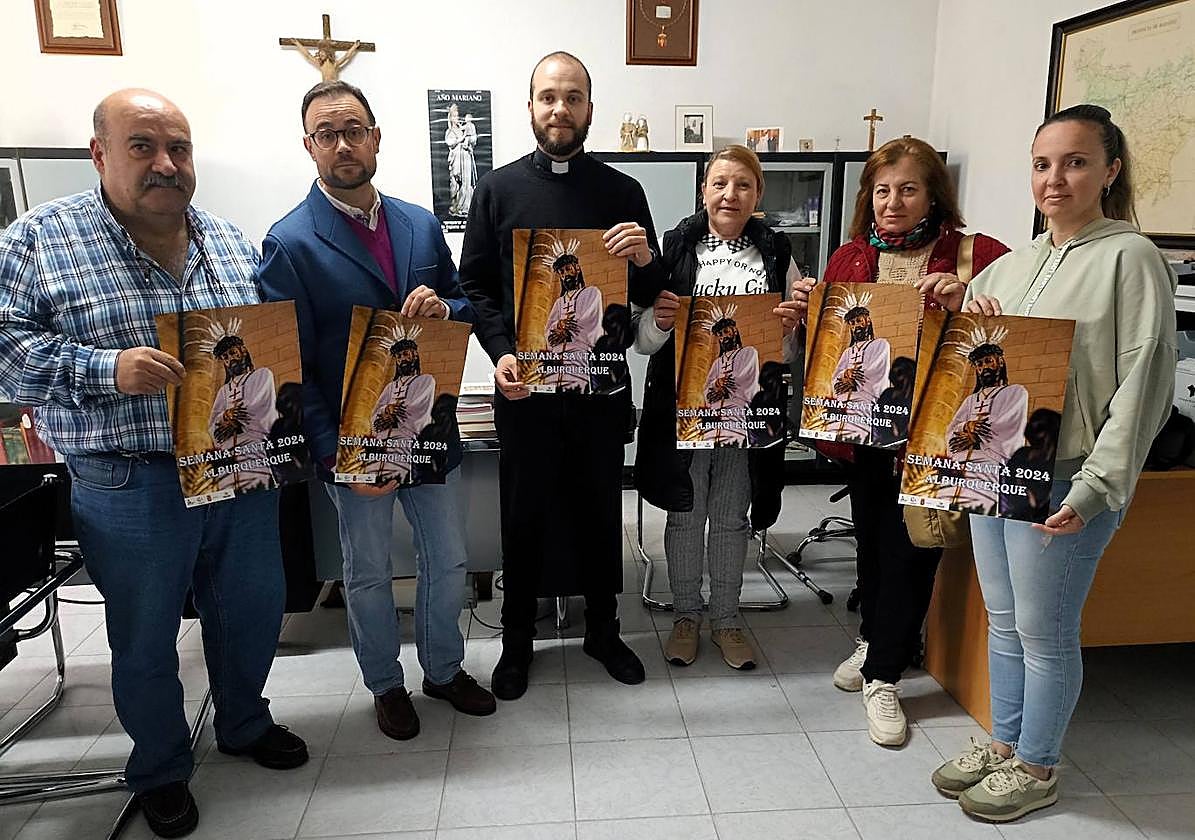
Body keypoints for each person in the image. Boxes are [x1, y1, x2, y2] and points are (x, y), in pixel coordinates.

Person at [0, 89, 308, 838]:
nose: (166, 164)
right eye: (142, 146)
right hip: (128, 478)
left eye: (179, 148)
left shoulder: (231, 241)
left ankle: (242, 721)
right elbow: (5, 356)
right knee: (143, 636)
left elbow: (268, 349)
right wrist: (105, 369)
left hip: (235, 469)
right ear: (99, 153)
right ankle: (162, 766)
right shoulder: (39, 239)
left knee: (251, 612)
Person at [930, 104, 1177, 822]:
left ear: (1109, 170)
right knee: (1003, 621)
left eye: (1073, 162)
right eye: (1042, 164)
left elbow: (1146, 381)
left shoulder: (1130, 258)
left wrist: (1099, 484)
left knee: (1045, 629)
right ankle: (1004, 745)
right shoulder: (1012, 264)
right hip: (995, 466)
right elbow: (978, 372)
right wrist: (960, 314)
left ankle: (1037, 764)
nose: (1054, 178)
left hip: (1068, 472)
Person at [259, 80, 495, 742]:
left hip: (426, 423)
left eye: (353, 129)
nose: (343, 144)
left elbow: (462, 303)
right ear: (309, 146)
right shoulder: (290, 241)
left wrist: (448, 309)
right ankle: (385, 685)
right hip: (353, 440)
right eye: (327, 133)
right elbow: (289, 368)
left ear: (376, 136)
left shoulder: (418, 223)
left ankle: (444, 671)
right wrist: (335, 455)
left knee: (446, 558)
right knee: (366, 571)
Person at [459, 51, 668, 700]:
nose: (560, 108)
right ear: (529, 107)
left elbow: (653, 291)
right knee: (522, 514)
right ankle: (516, 639)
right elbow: (475, 286)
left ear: (588, 110)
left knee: (598, 510)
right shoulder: (495, 190)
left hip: (600, 392)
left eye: (572, 97)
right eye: (548, 96)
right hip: (523, 392)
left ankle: (602, 632)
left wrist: (647, 257)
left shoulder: (622, 192)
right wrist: (498, 352)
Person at [815, 136, 1009, 747]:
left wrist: (967, 307)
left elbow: (1014, 338)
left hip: (938, 435)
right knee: (871, 543)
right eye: (881, 191)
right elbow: (833, 343)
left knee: (913, 549)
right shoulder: (849, 257)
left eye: (907, 190)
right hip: (870, 432)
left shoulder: (982, 255)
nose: (892, 203)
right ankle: (877, 637)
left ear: (934, 196)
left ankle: (885, 676)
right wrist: (806, 318)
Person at [634, 145, 805, 669]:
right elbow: (641, 341)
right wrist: (661, 323)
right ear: (704, 189)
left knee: (731, 517)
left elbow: (795, 350)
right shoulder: (674, 246)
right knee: (686, 515)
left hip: (749, 411)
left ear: (758, 194)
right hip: (686, 408)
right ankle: (687, 614)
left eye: (743, 185)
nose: (730, 194)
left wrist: (793, 328)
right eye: (720, 183)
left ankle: (728, 618)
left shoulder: (779, 252)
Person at [938, 329, 1028, 514]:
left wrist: (975, 437)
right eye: (979, 364)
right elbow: (952, 428)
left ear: (1000, 361)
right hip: (959, 465)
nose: (984, 367)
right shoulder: (970, 400)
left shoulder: (1016, 392)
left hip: (989, 465)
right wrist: (966, 426)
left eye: (988, 361)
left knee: (981, 512)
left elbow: (1009, 425)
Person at [206, 320, 279, 492]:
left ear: (243, 350)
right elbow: (212, 423)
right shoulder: (223, 391)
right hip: (228, 453)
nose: (230, 359)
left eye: (232, 353)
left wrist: (232, 417)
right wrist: (224, 417)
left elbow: (260, 405)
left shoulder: (262, 375)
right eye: (225, 357)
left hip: (254, 446)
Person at [367, 324, 436, 485]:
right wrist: (385, 411)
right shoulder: (391, 386)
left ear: (415, 354)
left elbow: (420, 408)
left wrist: (395, 414)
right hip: (384, 439)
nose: (402, 359)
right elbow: (376, 410)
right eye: (398, 357)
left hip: (407, 437)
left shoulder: (426, 380)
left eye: (405, 354)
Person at [541, 238, 603, 391]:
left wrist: (566, 331)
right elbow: (549, 329)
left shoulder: (591, 293)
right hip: (556, 358)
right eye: (561, 272)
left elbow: (591, 321)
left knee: (576, 391)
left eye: (568, 269)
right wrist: (558, 326)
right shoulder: (558, 302)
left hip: (578, 355)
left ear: (577, 268)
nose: (565, 274)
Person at [829, 292, 891, 445]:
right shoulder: (848, 351)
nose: (855, 325)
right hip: (843, 401)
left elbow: (878, 372)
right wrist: (845, 375)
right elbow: (836, 375)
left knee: (859, 437)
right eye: (852, 323)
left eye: (858, 321)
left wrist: (855, 382)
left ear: (867, 321)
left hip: (865, 401)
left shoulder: (880, 344)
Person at [700, 303, 760, 446]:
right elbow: (707, 387)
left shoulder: (749, 352)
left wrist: (723, 384)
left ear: (734, 331)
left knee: (733, 442)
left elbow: (746, 378)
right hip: (714, 414)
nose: (723, 337)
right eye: (720, 335)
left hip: (736, 409)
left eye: (726, 331)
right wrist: (715, 384)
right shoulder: (717, 362)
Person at [445, 104, 478, 217]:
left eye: (457, 116)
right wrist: (461, 139)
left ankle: (466, 207)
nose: (456, 118)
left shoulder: (464, 128)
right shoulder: (450, 131)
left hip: (466, 158)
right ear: (450, 117)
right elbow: (450, 142)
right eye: (454, 116)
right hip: (457, 160)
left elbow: (473, 139)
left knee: (467, 182)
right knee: (456, 183)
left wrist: (468, 140)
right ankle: (457, 206)